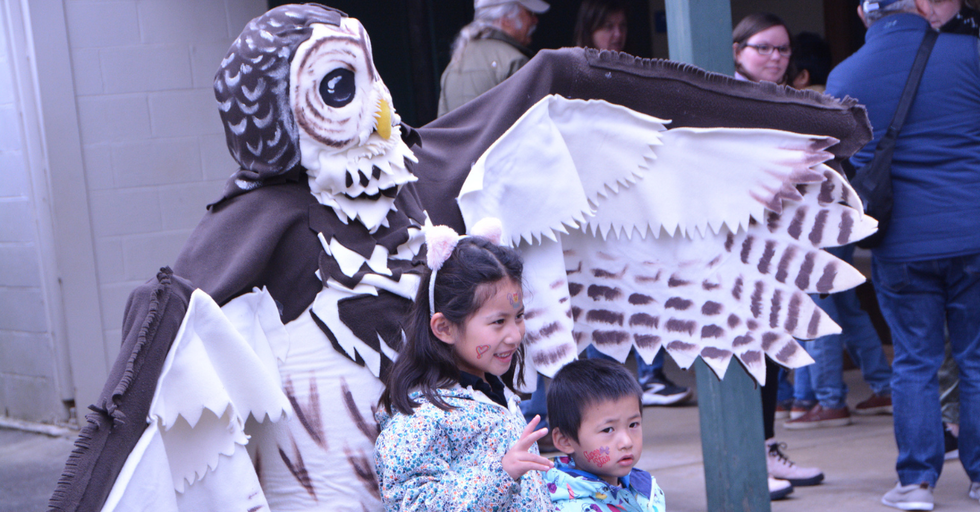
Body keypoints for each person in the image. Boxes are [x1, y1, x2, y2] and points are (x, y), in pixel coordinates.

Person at [824, 0, 980, 508]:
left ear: (865, 15)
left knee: (914, 361)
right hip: (972, 233)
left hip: (900, 243)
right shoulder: (969, 54)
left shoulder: (845, 75)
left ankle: (915, 483)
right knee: (976, 359)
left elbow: (840, 167)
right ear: (920, 7)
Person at [375, 232, 552, 510]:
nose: (515, 335)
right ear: (444, 328)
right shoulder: (420, 419)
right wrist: (501, 475)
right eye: (498, 321)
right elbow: (413, 504)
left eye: (518, 316)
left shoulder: (496, 396)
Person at [573, 0, 694, 408]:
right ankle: (602, 388)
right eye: (607, 25)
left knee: (645, 287)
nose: (616, 34)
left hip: (634, 199)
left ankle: (650, 376)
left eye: (621, 25)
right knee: (600, 298)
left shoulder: (630, 71)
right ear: (589, 28)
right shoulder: (575, 72)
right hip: (593, 207)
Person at [732, 12, 825, 501]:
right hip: (733, 248)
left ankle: (765, 445)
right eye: (763, 47)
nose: (775, 57)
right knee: (742, 351)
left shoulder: (786, 101)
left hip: (778, 244)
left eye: (783, 49)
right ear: (738, 50)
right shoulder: (723, 97)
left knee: (771, 350)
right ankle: (746, 454)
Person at [543, 358, 666, 512]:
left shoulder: (646, 490)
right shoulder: (565, 507)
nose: (627, 442)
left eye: (633, 425)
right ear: (565, 441)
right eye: (608, 430)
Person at [437, 0, 550, 116]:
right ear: (506, 18)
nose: (535, 20)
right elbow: (532, 121)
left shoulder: (455, 64)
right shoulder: (514, 61)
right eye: (529, 13)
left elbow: (443, 124)